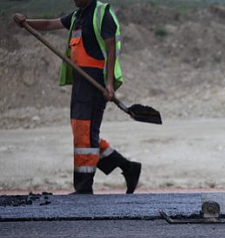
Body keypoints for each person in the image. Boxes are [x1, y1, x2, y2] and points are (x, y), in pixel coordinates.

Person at [14, 0, 141, 195]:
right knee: (84, 132)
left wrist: (108, 84)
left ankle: (83, 187)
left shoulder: (102, 14)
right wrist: (26, 22)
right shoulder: (76, 16)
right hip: (80, 81)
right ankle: (128, 167)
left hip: (95, 80)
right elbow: (49, 25)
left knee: (85, 133)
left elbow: (111, 50)